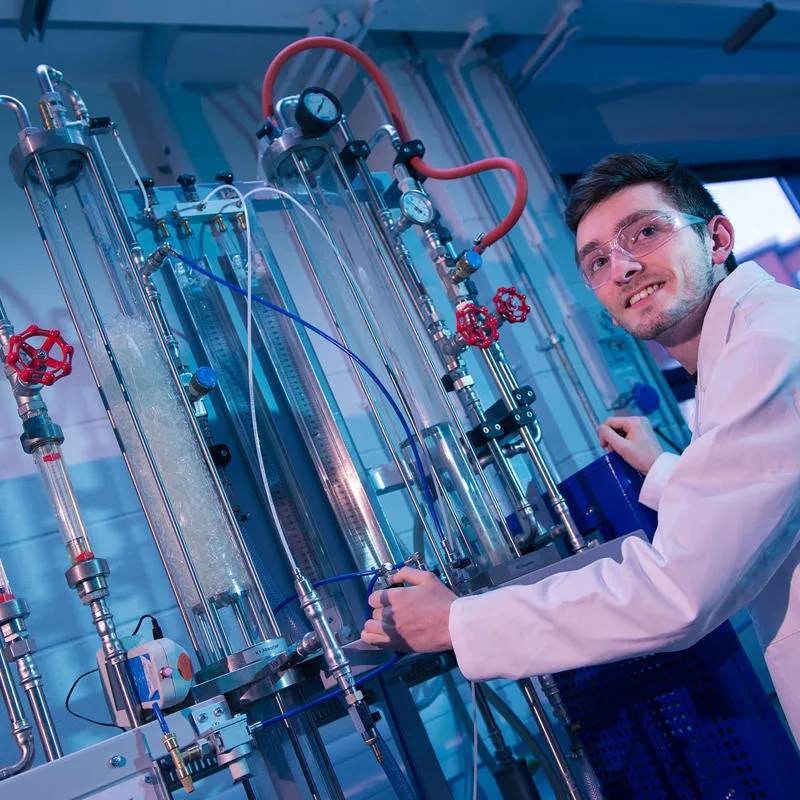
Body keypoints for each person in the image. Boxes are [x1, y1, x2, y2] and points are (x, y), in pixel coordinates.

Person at [360, 154, 800, 745]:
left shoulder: (767, 345)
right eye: (597, 260)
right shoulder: (755, 340)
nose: (622, 267)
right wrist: (668, 470)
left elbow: (680, 592)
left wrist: (456, 621)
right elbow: (763, 500)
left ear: (717, 237)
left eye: (646, 231)